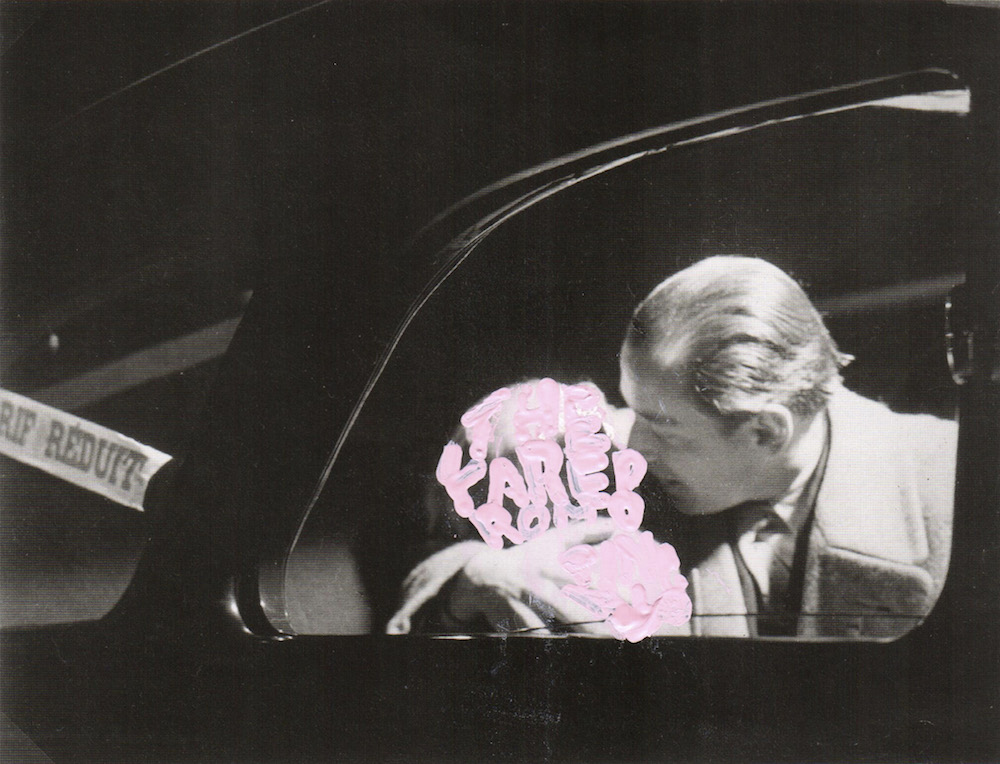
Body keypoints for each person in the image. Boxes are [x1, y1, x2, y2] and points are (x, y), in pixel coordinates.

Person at [388, 256, 957, 639]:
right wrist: (474, 576)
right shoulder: (596, 455)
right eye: (629, 409)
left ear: (766, 430)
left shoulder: (961, 492)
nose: (629, 445)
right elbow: (452, 509)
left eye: (662, 425)